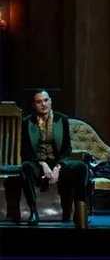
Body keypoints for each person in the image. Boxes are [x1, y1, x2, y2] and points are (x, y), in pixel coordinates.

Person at [18, 89, 90, 225]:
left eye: (46, 100)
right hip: (37, 163)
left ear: (50, 101)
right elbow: (26, 151)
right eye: (39, 102)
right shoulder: (27, 122)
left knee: (81, 167)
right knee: (26, 167)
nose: (43, 104)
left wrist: (58, 167)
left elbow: (67, 148)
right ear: (34, 105)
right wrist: (42, 163)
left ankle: (80, 210)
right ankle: (33, 211)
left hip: (57, 162)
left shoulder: (61, 119)